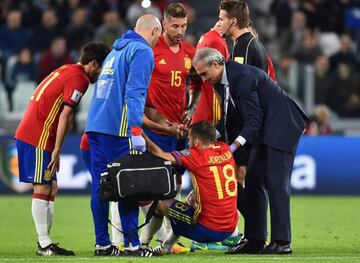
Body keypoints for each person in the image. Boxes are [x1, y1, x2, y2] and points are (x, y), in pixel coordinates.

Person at [192, 48, 310, 254]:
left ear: (216, 64)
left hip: (282, 125)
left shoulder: (243, 78)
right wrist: (207, 137)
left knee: (276, 183)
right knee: (254, 180)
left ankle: (282, 242)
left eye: (204, 73)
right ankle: (255, 240)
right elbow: (230, 120)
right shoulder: (220, 82)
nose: (203, 79)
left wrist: (233, 147)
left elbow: (253, 119)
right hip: (265, 129)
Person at [15, 41, 110, 256]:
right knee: (42, 188)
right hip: (37, 136)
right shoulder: (80, 79)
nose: (101, 73)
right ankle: (44, 244)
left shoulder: (67, 69)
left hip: (37, 133)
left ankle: (45, 243)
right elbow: (66, 115)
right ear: (93, 63)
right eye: (102, 67)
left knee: (51, 188)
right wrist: (58, 149)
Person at [85, 14, 162, 257]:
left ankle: (102, 244)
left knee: (101, 186)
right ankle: (132, 245)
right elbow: (135, 92)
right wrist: (136, 130)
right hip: (118, 129)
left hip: (95, 126)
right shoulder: (142, 51)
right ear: (155, 32)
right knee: (128, 184)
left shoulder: (115, 51)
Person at [139, 2, 201, 249]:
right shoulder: (152, 51)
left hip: (180, 130)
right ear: (163, 24)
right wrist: (163, 122)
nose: (180, 30)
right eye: (175, 25)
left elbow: (197, 83)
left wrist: (192, 107)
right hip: (156, 129)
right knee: (157, 185)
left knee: (175, 182)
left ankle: (167, 235)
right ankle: (136, 238)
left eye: (183, 26)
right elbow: (143, 95)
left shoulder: (189, 51)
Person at [143, 121, 239, 256]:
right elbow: (207, 135)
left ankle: (143, 244)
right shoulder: (225, 149)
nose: (188, 142)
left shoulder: (195, 155)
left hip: (207, 230)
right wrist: (191, 132)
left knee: (160, 203)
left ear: (197, 142)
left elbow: (159, 154)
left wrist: (141, 133)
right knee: (193, 197)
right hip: (230, 227)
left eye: (189, 140)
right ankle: (166, 246)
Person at [218, 0, 272, 220]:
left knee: (247, 180)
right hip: (249, 126)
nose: (218, 23)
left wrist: (243, 132)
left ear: (233, 21)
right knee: (246, 181)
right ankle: (253, 234)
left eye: (222, 19)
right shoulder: (247, 44)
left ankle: (255, 234)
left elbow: (245, 92)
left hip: (249, 128)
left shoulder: (245, 46)